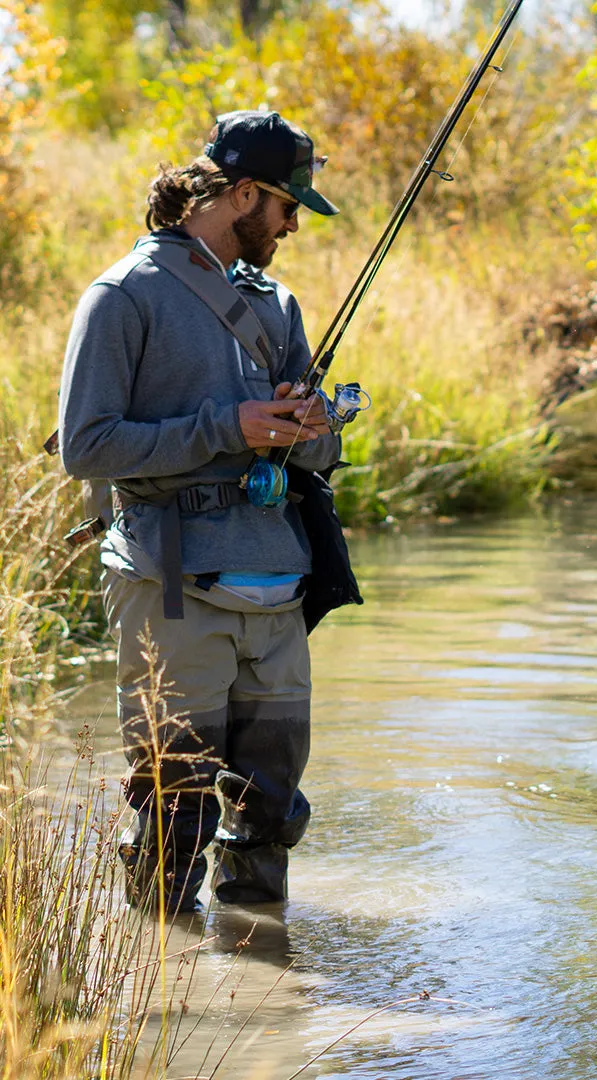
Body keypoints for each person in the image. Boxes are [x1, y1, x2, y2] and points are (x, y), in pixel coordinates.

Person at [58, 110, 343, 912]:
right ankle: (169, 998)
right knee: (172, 814)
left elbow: (317, 455)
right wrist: (229, 428)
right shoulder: (122, 297)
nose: (291, 226)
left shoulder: (276, 303)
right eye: (287, 207)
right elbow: (88, 447)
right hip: (171, 582)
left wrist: (314, 428)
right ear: (243, 193)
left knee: (272, 813)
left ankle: (265, 988)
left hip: (279, 586)